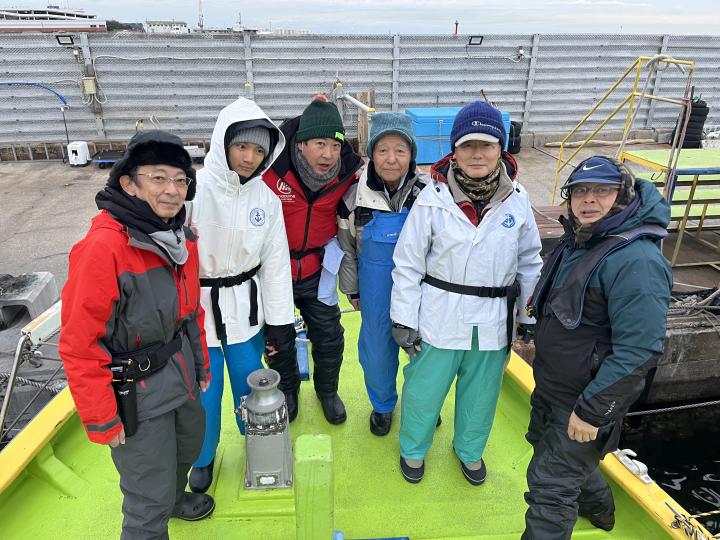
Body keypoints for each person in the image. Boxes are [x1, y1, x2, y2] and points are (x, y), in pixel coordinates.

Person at [59, 130, 214, 539]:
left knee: (188, 448)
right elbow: (79, 344)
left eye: (180, 180)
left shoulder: (180, 238)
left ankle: (175, 498)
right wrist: (102, 417)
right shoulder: (103, 248)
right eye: (158, 178)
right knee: (147, 500)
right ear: (129, 183)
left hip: (180, 373)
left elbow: (190, 312)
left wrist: (200, 365)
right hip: (136, 393)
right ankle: (158, 512)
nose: (172, 190)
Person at [390, 100, 543, 484]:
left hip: (492, 321)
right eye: (468, 145)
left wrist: (527, 316)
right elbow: (408, 264)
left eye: (486, 145)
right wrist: (404, 319)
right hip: (439, 315)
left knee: (482, 395)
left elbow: (530, 262)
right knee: (424, 391)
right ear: (454, 151)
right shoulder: (432, 198)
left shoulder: (518, 199)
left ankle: (469, 450)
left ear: (500, 149)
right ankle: (413, 449)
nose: (477, 154)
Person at [521, 156, 672, 539]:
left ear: (623, 196)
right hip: (554, 390)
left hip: (583, 400)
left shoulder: (637, 261)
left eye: (602, 190)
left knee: (550, 490)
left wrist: (590, 413)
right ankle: (602, 512)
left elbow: (639, 351)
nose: (589, 199)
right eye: (580, 191)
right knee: (558, 459)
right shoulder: (581, 239)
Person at [185, 97, 296, 493]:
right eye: (242, 146)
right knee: (203, 395)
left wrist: (281, 324)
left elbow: (275, 265)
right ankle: (202, 458)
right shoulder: (192, 191)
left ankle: (258, 447)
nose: (250, 158)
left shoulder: (266, 200)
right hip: (199, 317)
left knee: (253, 388)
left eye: (259, 151)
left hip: (247, 316)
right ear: (223, 144)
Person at [264, 95, 362, 424]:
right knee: (277, 339)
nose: (328, 155)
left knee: (329, 336)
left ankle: (327, 391)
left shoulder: (348, 173)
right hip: (274, 271)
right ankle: (288, 390)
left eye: (335, 145)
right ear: (302, 144)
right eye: (320, 144)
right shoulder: (271, 168)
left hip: (318, 269)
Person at [337, 112, 429, 436]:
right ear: (371, 153)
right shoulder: (354, 197)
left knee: (424, 351)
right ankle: (383, 406)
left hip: (421, 287)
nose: (391, 159)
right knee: (376, 352)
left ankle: (424, 403)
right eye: (383, 150)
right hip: (374, 290)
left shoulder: (429, 194)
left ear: (411, 155)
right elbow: (346, 248)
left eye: (400, 150)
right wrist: (353, 290)